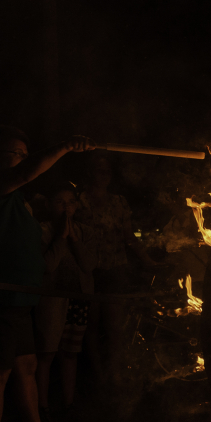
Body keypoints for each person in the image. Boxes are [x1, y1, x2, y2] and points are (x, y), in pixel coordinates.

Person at [0, 125, 94, 422]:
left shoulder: (19, 201)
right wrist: (65, 145)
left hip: (20, 299)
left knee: (27, 366)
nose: (20, 160)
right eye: (13, 153)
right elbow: (25, 172)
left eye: (23, 153)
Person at [76, 154, 156, 381]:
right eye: (99, 171)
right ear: (90, 173)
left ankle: (116, 375)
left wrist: (148, 260)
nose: (104, 176)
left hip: (114, 269)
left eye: (107, 172)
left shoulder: (118, 202)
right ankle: (98, 375)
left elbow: (129, 237)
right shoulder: (79, 201)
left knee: (114, 327)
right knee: (90, 326)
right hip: (88, 270)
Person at [34, 183, 96, 422]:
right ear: (50, 205)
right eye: (60, 202)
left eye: (70, 202)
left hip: (78, 297)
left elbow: (89, 265)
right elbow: (46, 266)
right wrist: (61, 238)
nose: (66, 207)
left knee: (70, 353)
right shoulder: (42, 231)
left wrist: (74, 239)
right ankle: (41, 407)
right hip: (51, 299)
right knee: (46, 353)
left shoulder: (85, 231)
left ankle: (69, 405)